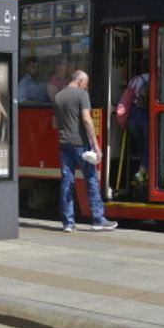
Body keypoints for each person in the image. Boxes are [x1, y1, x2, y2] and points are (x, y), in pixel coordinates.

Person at [53, 70, 116, 232]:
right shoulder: (81, 94)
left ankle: (68, 223)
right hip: (80, 144)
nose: (86, 87)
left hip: (64, 143)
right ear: (80, 81)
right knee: (91, 179)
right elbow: (87, 119)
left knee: (67, 181)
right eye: (86, 84)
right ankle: (98, 219)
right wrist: (95, 145)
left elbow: (55, 122)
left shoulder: (58, 96)